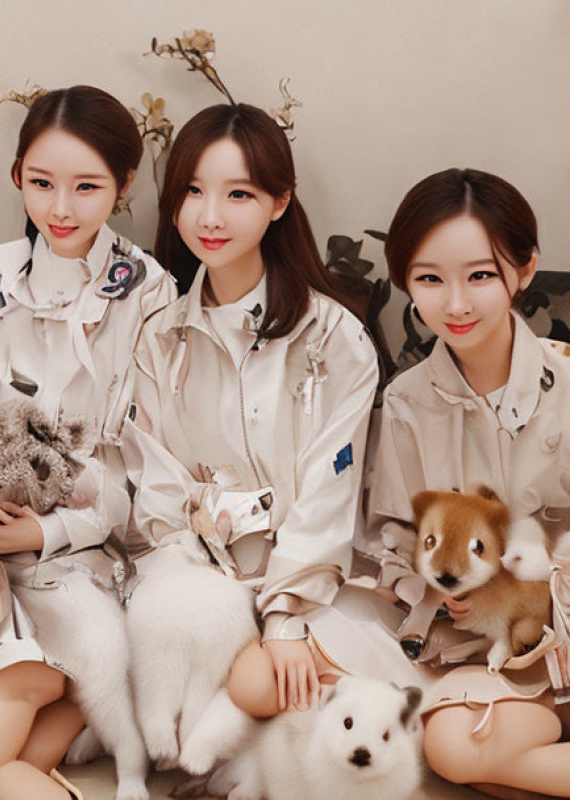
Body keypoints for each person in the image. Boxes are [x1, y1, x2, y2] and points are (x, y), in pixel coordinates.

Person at [123, 103, 418, 724]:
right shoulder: (158, 337)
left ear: (280, 201)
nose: (209, 216)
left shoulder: (334, 338)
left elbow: (327, 497)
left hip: (318, 583)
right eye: (193, 191)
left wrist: (282, 610)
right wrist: (215, 588)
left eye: (238, 194)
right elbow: (158, 488)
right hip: (203, 582)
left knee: (256, 689)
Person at [0, 85, 175, 800]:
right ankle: (82, 715)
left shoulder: (151, 292)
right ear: (17, 177)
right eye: (41, 183)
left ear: (124, 186)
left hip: (84, 559)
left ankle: (93, 698)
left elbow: (142, 469)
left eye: (87, 187)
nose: (60, 209)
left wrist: (49, 529)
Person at [366, 167, 570, 798]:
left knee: (477, 766)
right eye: (429, 279)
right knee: (452, 749)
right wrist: (432, 589)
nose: (454, 303)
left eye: (480, 275)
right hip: (480, 642)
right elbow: (391, 541)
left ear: (524, 270)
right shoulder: (404, 402)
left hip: (561, 621)